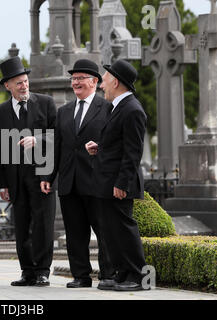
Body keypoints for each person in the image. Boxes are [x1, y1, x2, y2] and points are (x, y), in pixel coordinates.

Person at [40, 59, 115, 289]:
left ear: (94, 82)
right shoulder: (64, 112)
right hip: (69, 181)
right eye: (73, 79)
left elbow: (114, 143)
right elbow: (57, 147)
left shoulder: (108, 108)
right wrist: (48, 176)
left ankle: (108, 275)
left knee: (103, 231)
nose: (76, 82)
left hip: (96, 181)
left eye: (81, 78)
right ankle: (81, 275)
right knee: (75, 233)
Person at [85, 59, 148, 291]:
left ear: (117, 82)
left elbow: (133, 152)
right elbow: (118, 144)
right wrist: (99, 148)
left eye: (105, 80)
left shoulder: (132, 109)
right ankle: (122, 273)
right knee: (111, 231)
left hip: (118, 184)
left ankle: (137, 276)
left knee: (123, 229)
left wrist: (122, 182)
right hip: (107, 182)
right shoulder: (118, 107)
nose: (102, 86)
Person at [0, 56, 56, 287]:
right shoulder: (0, 113)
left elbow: (58, 137)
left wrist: (37, 140)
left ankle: (42, 270)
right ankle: (27, 271)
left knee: (43, 223)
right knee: (21, 225)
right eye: (18, 83)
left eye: (25, 81)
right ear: (8, 86)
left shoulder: (46, 103)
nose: (24, 86)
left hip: (42, 176)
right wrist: (2, 184)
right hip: (15, 179)